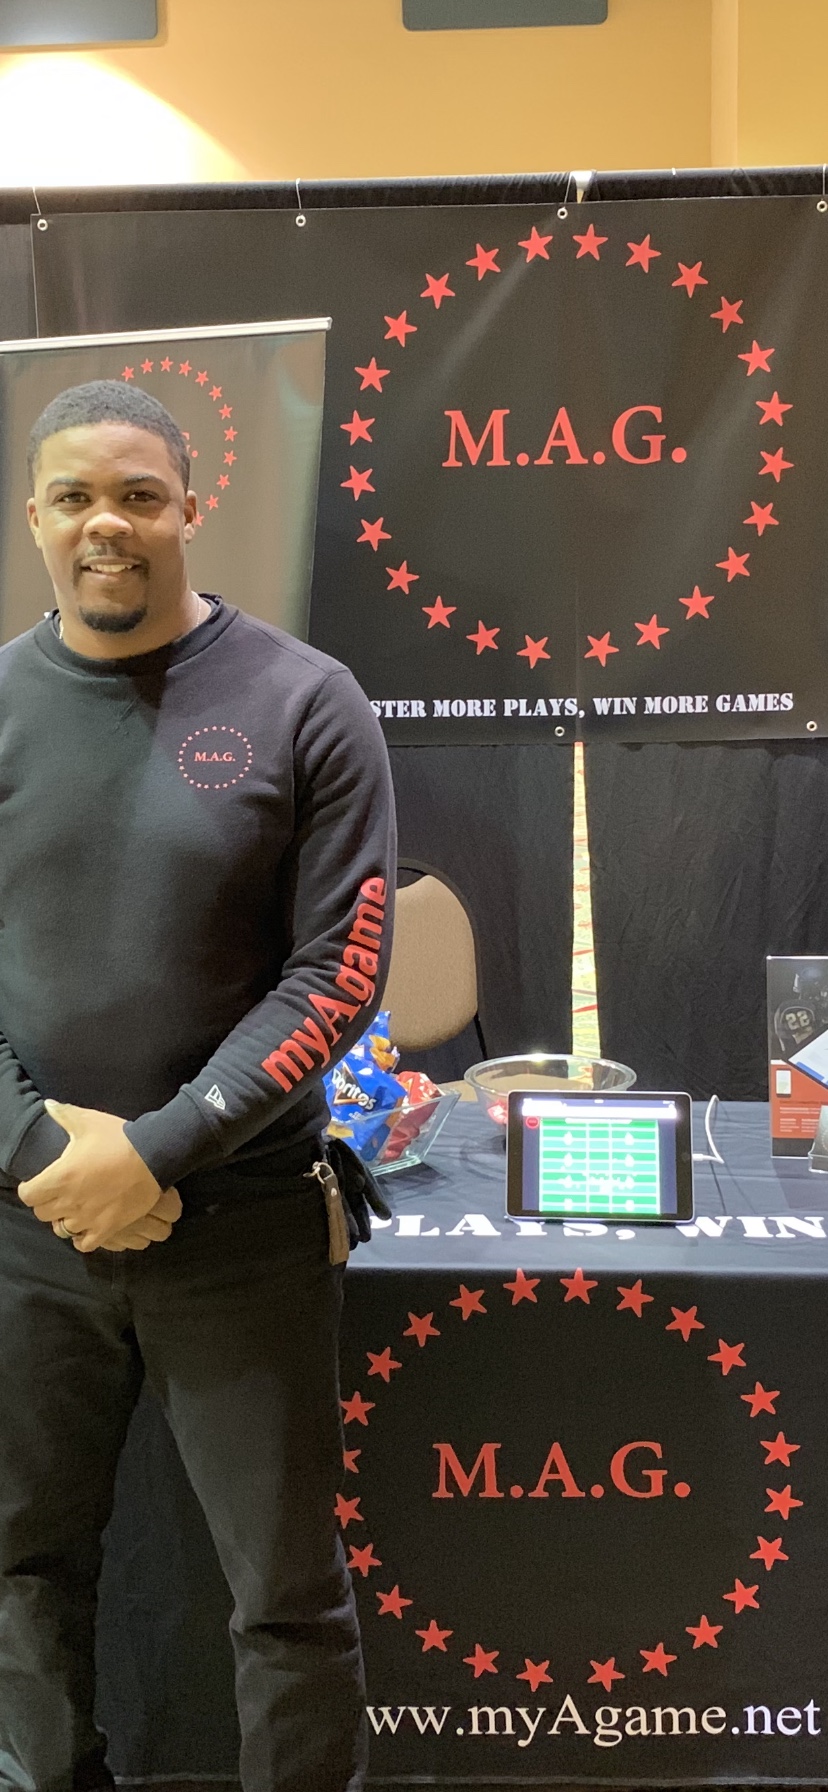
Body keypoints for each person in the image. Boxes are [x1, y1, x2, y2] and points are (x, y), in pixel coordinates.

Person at [0, 379, 395, 1792]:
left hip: (243, 1227)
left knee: (287, 1601)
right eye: (74, 497)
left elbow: (341, 973)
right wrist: (38, 1147)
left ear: (189, 508)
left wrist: (156, 1151)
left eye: (138, 496)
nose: (106, 524)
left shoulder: (306, 702)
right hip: (26, 1227)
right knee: (21, 1570)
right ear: (34, 517)